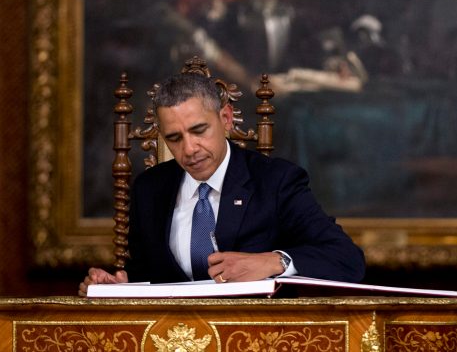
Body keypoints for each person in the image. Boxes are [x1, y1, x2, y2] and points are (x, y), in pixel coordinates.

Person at [79, 72, 366, 294]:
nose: (189, 149)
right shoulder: (149, 189)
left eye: (199, 130)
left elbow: (347, 259)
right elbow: (148, 276)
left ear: (226, 119)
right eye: (175, 138)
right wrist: (120, 286)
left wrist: (273, 262)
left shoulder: (276, 181)